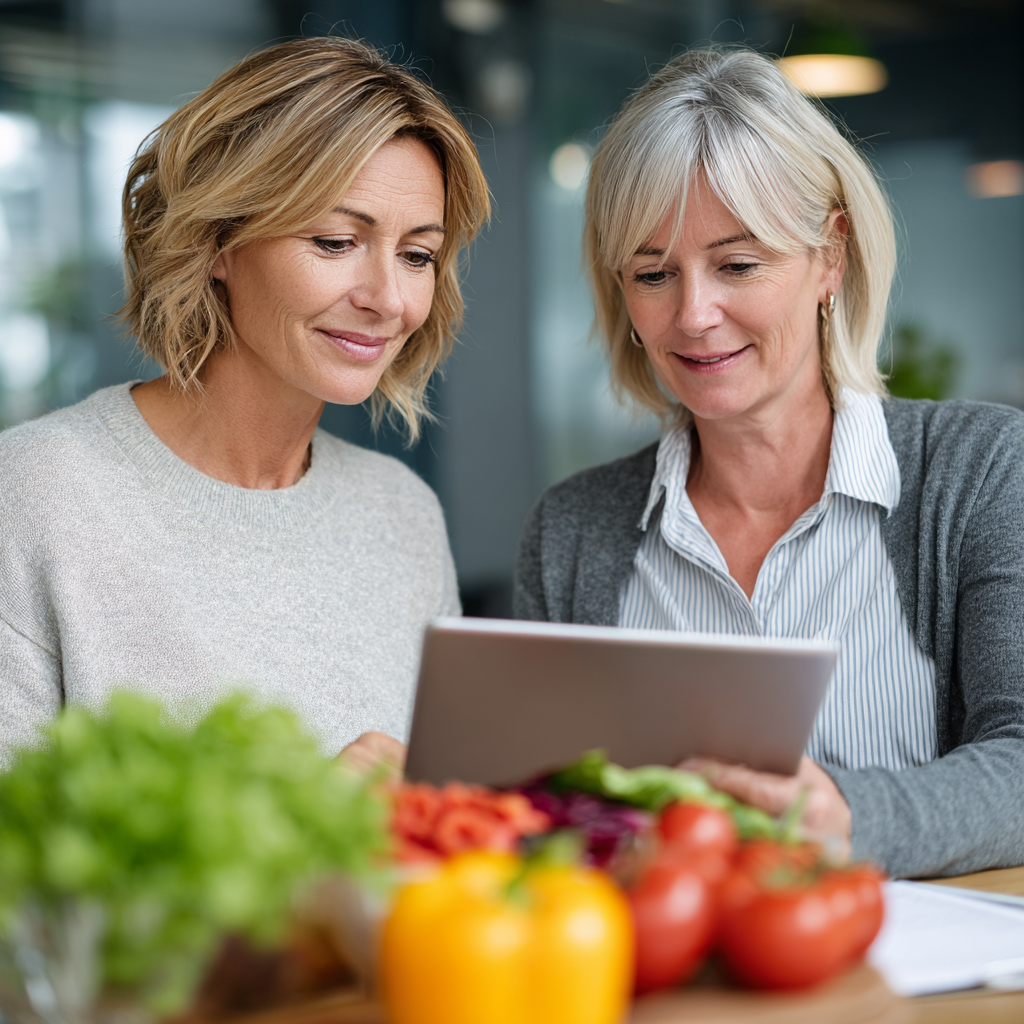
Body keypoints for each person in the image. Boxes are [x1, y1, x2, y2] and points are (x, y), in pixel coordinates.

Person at [514, 48, 1024, 879]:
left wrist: (849, 816)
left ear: (830, 255)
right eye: (653, 273)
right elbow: (542, 814)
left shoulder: (980, 474)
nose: (694, 315)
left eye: (737, 264)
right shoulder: (571, 532)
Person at [0, 38, 489, 768]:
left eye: (417, 255)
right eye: (334, 241)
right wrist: (304, 836)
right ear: (218, 240)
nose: (388, 298)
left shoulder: (404, 516)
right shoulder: (38, 493)